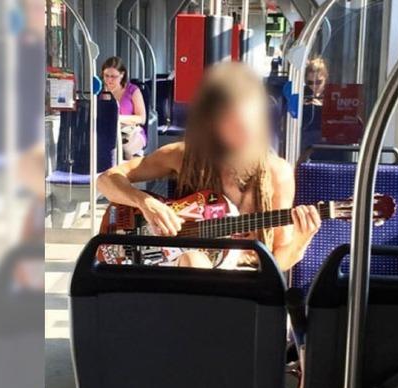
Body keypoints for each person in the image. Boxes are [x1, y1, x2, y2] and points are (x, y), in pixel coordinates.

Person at [97, 62, 321, 270]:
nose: (239, 139)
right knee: (192, 260)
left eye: (246, 128)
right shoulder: (184, 155)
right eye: (230, 126)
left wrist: (301, 241)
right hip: (182, 272)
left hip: (244, 282)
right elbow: (106, 180)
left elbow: (278, 260)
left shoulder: (277, 173)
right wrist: (146, 204)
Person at [101, 56, 147, 158]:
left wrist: (118, 118)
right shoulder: (100, 91)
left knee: (126, 149)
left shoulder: (133, 91)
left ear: (122, 75)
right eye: (106, 76)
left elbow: (141, 118)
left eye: (113, 76)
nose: (109, 80)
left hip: (129, 133)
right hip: (106, 132)